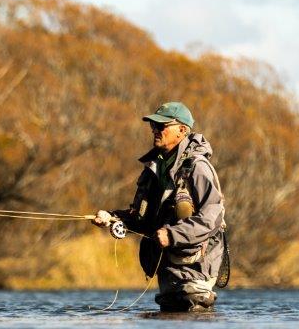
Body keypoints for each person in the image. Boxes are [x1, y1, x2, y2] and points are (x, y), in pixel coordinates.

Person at [91, 101, 227, 312]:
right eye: (153, 126)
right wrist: (113, 217)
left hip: (197, 266)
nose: (155, 130)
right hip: (168, 269)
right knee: (169, 317)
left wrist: (172, 235)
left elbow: (212, 218)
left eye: (161, 126)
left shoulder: (198, 167)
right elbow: (142, 220)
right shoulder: (154, 169)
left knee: (191, 310)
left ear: (182, 130)